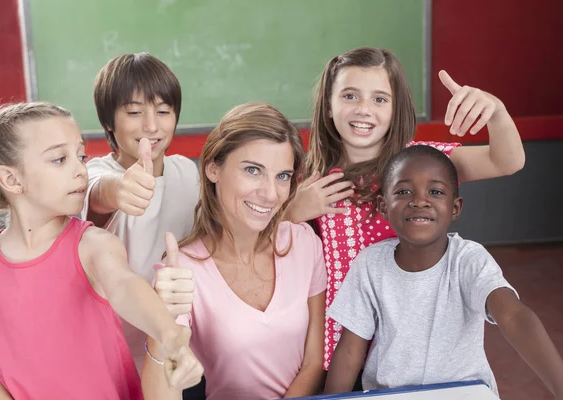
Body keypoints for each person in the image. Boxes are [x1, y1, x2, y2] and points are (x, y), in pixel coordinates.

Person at [288, 47, 526, 370]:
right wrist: (292, 212)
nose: (364, 110)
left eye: (379, 99)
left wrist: (495, 112)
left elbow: (507, 161)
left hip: (404, 342)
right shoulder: (309, 175)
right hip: (339, 343)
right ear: (328, 106)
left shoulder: (419, 163)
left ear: (395, 108)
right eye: (349, 96)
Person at [0, 102, 202, 400]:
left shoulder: (94, 244)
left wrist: (172, 336)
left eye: (80, 156)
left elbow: (125, 287)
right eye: (60, 159)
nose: (81, 170)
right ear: (11, 179)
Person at [324, 145, 563, 397]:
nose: (419, 201)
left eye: (435, 191)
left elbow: (513, 317)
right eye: (404, 191)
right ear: (384, 206)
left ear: (455, 208)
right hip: (390, 394)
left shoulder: (468, 260)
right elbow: (350, 351)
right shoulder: (370, 264)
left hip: (462, 392)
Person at [143, 102, 327, 400]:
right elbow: (162, 392)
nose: (270, 193)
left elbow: (313, 364)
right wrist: (159, 323)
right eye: (253, 170)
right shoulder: (184, 270)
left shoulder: (304, 243)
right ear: (213, 168)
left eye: (282, 176)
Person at [80, 52, 200, 369]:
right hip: (111, 357)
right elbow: (98, 194)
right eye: (134, 112)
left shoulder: (187, 172)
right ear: (108, 121)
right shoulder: (92, 174)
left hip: (177, 350)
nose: (151, 125)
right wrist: (120, 190)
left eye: (163, 111)